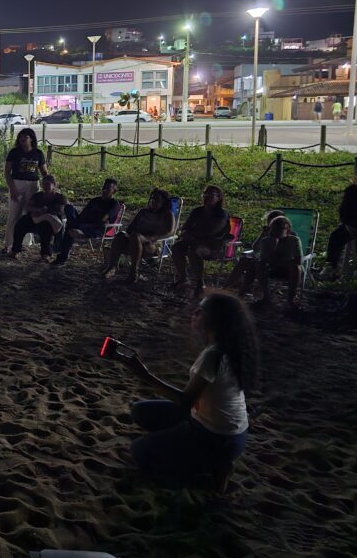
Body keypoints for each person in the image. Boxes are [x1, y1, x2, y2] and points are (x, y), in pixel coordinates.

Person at [116, 291, 258, 491]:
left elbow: (185, 401)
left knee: (139, 451)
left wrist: (145, 375)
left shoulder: (214, 356)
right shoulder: (229, 348)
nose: (195, 313)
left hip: (216, 437)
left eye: (201, 311)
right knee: (141, 411)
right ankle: (198, 455)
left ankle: (213, 467)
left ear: (215, 320)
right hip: (229, 432)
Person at [102, 188, 176, 283]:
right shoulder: (143, 212)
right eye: (152, 199)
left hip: (152, 244)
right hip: (135, 240)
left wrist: (154, 237)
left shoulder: (167, 215)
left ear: (163, 202)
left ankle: (134, 273)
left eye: (157, 200)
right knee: (121, 235)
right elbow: (130, 229)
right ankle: (112, 267)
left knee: (136, 236)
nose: (153, 202)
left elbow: (171, 231)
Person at [171, 185, 231, 296]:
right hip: (194, 241)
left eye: (211, 195)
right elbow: (185, 227)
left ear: (219, 197)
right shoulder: (197, 211)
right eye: (205, 194)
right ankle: (184, 278)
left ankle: (199, 283)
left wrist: (193, 233)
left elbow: (212, 231)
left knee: (195, 250)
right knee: (176, 248)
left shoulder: (222, 214)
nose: (207, 197)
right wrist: (187, 233)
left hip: (213, 246)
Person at [53, 178, 120, 267]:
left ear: (114, 191)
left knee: (70, 231)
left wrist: (92, 218)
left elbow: (103, 219)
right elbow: (83, 215)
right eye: (104, 187)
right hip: (82, 223)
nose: (104, 190)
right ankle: (73, 229)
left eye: (108, 188)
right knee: (69, 208)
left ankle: (61, 256)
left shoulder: (114, 204)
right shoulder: (95, 200)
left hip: (96, 228)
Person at [4, 128, 48, 254]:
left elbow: (44, 171)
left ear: (31, 139)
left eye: (25, 137)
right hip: (17, 183)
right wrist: (12, 188)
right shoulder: (14, 152)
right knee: (14, 214)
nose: (22, 139)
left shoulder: (38, 153)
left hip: (33, 185)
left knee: (29, 214)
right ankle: (9, 244)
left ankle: (24, 243)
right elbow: (7, 172)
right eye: (20, 136)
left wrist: (49, 185)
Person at [225, 209, 284, 295]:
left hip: (277, 265)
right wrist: (263, 234)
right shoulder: (267, 233)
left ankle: (240, 291)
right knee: (245, 261)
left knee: (252, 265)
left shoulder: (288, 235)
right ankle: (227, 287)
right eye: (270, 222)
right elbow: (255, 248)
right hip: (262, 263)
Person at [9, 175, 68, 260]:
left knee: (45, 227)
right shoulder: (38, 196)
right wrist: (37, 210)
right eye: (43, 184)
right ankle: (16, 250)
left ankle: (46, 254)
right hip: (36, 217)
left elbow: (60, 211)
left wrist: (45, 212)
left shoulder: (60, 198)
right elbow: (28, 206)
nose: (45, 186)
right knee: (21, 223)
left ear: (54, 185)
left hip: (52, 222)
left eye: (47, 184)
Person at [254, 215, 303, 309]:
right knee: (259, 264)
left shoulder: (294, 240)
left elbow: (299, 260)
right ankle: (266, 297)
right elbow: (265, 259)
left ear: (288, 230)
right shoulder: (266, 241)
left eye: (280, 228)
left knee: (296, 267)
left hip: (288, 270)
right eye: (273, 228)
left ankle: (291, 299)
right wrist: (274, 244)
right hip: (272, 268)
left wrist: (283, 262)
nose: (276, 231)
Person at [324, 174, 357, 278]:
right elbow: (344, 211)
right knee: (336, 237)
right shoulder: (351, 191)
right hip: (351, 225)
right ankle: (331, 268)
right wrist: (348, 225)